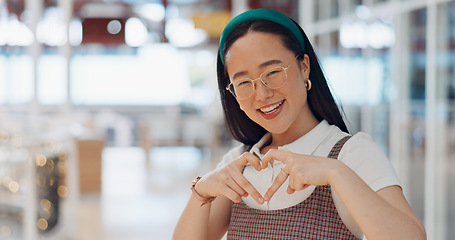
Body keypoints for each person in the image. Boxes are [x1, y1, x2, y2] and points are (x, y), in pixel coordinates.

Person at [173, 8, 426, 240]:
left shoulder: (351, 153)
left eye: (273, 72)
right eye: (243, 83)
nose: (262, 94)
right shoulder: (236, 165)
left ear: (304, 67)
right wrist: (201, 193)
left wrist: (334, 173)